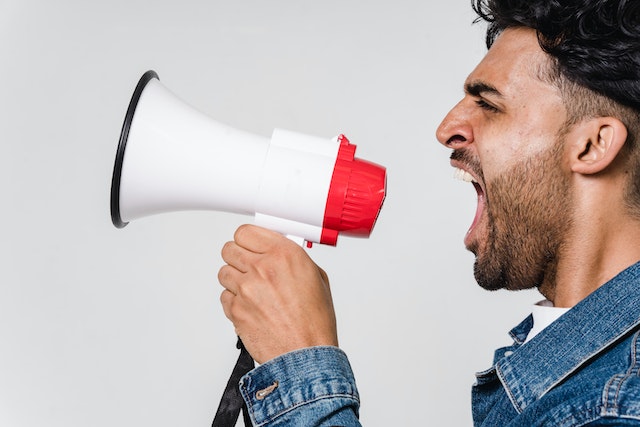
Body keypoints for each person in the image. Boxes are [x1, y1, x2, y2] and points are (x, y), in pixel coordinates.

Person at [218, 0, 640, 425]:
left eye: (489, 104)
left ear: (593, 145)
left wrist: (300, 365)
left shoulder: (616, 408)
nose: (447, 128)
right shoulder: (573, 370)